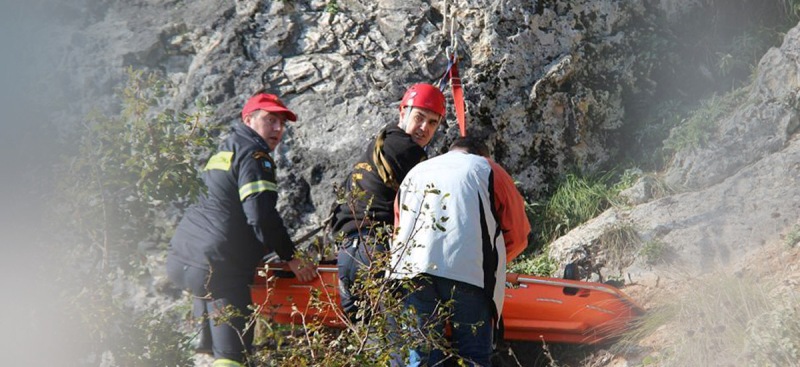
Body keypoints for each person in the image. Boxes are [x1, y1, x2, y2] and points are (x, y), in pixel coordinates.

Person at [166, 91, 317, 367]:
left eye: (282, 123)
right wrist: (291, 257)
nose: (277, 129)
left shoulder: (226, 148)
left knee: (216, 353)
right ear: (248, 120)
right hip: (218, 267)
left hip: (183, 259)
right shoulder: (256, 155)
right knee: (232, 358)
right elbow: (260, 216)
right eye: (270, 120)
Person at [389, 137, 531, 366]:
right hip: (468, 273)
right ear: (483, 154)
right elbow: (519, 234)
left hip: (409, 273)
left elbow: (398, 229)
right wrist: (495, 266)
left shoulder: (415, 172)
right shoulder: (487, 168)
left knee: (423, 355)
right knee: (472, 354)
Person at [329, 83, 446, 321]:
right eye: (419, 117)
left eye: (433, 123)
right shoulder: (407, 151)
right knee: (397, 344)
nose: (424, 128)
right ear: (403, 112)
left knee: (368, 340)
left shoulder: (378, 145)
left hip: (348, 254)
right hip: (375, 252)